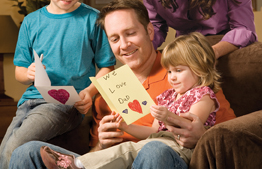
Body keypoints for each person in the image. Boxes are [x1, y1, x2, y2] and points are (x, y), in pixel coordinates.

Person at [8, 0, 235, 169]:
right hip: (112, 162)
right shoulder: (108, 86)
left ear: (148, 30)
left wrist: (199, 133)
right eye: (115, 38)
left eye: (130, 33)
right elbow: (95, 152)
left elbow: (229, 133)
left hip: (164, 157)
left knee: (154, 150)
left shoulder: (183, 73)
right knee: (26, 152)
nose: (124, 45)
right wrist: (102, 144)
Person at [0, 0, 116, 169]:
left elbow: (107, 67)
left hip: (64, 104)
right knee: (3, 151)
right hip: (28, 102)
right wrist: (28, 72)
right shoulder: (31, 22)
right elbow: (19, 72)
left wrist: (88, 92)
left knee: (15, 146)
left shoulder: (93, 19)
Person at [39, 32, 221, 169]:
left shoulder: (203, 95)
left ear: (199, 69)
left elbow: (189, 127)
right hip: (156, 140)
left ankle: (76, 164)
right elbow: (152, 130)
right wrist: (125, 127)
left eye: (178, 71)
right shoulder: (168, 96)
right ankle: (76, 163)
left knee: (134, 150)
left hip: (180, 150)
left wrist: (168, 116)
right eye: (170, 71)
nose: (172, 77)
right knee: (126, 148)